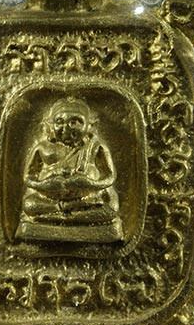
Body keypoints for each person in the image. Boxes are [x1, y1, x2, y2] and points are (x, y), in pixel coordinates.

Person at [16, 97, 122, 242]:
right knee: (29, 205)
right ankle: (64, 212)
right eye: (59, 122)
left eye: (75, 122)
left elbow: (109, 176)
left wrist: (90, 184)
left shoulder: (96, 147)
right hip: (51, 199)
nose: (66, 128)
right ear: (50, 125)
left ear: (90, 125)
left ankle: (64, 215)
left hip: (89, 198)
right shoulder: (43, 148)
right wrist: (44, 185)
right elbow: (28, 177)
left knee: (111, 207)